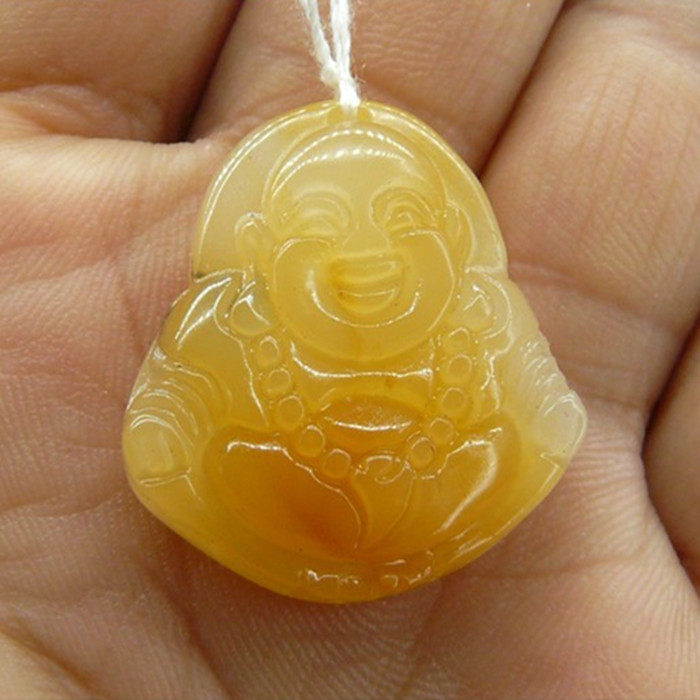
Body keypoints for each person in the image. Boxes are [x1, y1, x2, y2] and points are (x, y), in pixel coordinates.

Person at [0, 1, 697, 697]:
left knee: (488, 453)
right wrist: (168, 435)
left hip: (448, 484)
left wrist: (533, 423)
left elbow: (542, 410)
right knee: (243, 464)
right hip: (280, 497)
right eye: (319, 227)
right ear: (262, 250)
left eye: (402, 220)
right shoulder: (234, 324)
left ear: (454, 239)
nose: (365, 254)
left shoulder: (482, 318)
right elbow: (175, 409)